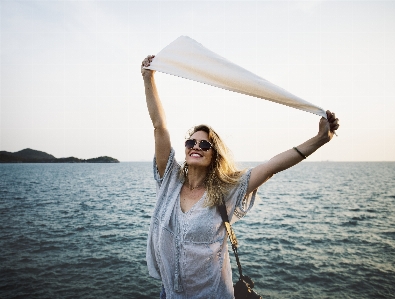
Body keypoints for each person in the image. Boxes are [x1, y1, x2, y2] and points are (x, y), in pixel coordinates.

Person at [141, 55, 339, 299]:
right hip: (170, 294)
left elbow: (270, 167)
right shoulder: (168, 181)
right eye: (192, 141)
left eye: (205, 144)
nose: (196, 146)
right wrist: (148, 77)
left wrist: (320, 139)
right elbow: (160, 126)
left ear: (214, 155)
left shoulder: (226, 191)